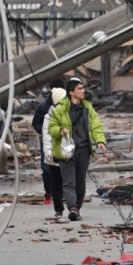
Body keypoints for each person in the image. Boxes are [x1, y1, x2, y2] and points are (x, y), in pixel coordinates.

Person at [49, 79, 107, 221]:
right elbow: (51, 128)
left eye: (83, 88)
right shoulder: (60, 109)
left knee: (80, 183)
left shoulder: (88, 108)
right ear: (71, 92)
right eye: (80, 89)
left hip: (83, 150)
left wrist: (100, 141)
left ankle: (77, 207)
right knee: (69, 182)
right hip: (66, 151)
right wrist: (60, 130)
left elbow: (96, 127)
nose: (83, 91)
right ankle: (72, 208)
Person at [32, 78, 66, 205]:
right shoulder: (43, 107)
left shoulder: (67, 105)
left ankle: (60, 193)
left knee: (62, 168)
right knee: (46, 168)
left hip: (63, 142)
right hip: (47, 142)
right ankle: (48, 191)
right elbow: (35, 122)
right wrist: (45, 132)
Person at [42, 87, 67, 217]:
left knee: (70, 181)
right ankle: (59, 208)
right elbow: (46, 137)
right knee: (56, 182)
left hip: (69, 153)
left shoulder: (71, 113)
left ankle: (74, 206)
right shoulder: (49, 116)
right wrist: (48, 153)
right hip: (54, 154)